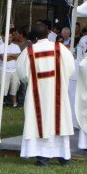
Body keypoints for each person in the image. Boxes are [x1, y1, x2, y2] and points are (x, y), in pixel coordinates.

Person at [15, 23, 76, 166]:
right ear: (48, 33)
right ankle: (63, 157)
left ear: (34, 36)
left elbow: (22, 74)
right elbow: (71, 68)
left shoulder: (29, 51)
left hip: (37, 95)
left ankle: (42, 159)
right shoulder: (60, 48)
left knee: (39, 123)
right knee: (59, 122)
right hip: (57, 94)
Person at [0, 29, 22, 108]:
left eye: (10, 37)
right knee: (1, 87)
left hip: (14, 70)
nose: (9, 39)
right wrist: (14, 56)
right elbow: (3, 58)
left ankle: (14, 104)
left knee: (15, 87)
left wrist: (9, 55)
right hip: (4, 70)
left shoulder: (16, 46)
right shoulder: (0, 46)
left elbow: (19, 57)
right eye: (7, 37)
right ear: (4, 37)